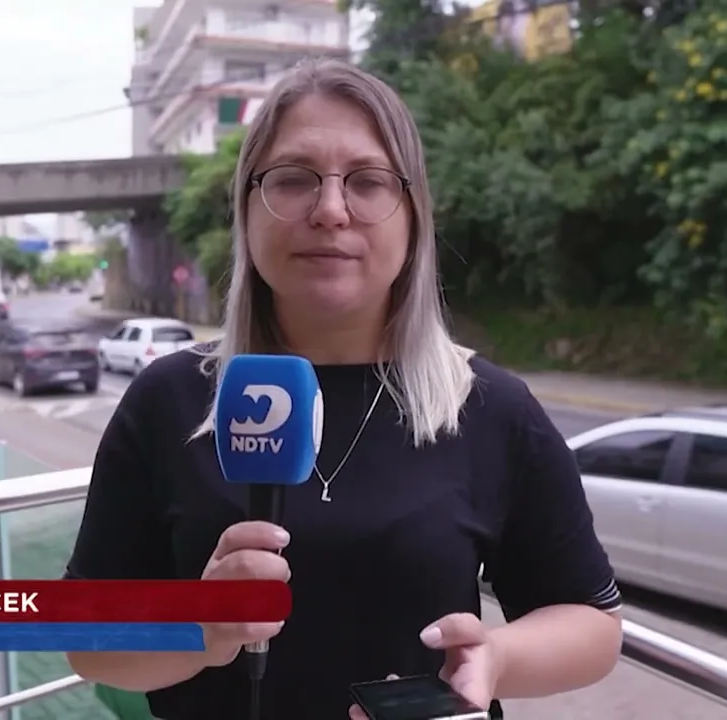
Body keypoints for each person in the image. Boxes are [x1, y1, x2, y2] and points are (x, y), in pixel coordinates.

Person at [64, 58, 623, 720]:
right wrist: (204, 627)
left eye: (368, 181)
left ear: (413, 217)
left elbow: (591, 622)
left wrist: (497, 658)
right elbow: (86, 636)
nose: (331, 210)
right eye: (295, 180)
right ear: (247, 209)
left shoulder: (491, 408)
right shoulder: (169, 399)